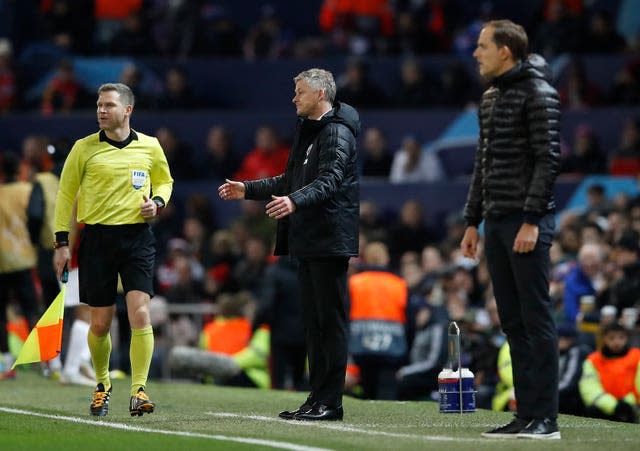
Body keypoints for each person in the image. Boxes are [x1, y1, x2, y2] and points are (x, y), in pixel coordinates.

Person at [219, 68, 360, 421]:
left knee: (330, 322)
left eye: (299, 92)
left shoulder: (337, 132)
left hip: (329, 240)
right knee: (313, 324)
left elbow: (331, 180)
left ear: (320, 95)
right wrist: (247, 189)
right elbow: (291, 178)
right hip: (309, 239)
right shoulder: (309, 130)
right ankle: (317, 398)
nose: (294, 98)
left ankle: (332, 402)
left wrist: (294, 201)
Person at [460, 20, 562, 439]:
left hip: (526, 221)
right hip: (497, 220)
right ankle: (526, 414)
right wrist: (472, 220)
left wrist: (532, 220)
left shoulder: (539, 94)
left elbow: (548, 160)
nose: (475, 53)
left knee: (536, 319)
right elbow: (483, 163)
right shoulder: (489, 98)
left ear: (506, 51)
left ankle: (547, 420)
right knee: (513, 323)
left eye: (482, 46)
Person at [53, 83, 174, 417]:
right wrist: (62, 244)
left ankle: (139, 390)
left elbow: (165, 181)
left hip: (137, 238)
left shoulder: (150, 146)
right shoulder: (83, 148)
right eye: (98, 105)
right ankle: (102, 386)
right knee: (100, 324)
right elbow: (65, 196)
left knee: (140, 313)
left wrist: (159, 203)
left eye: (108, 105)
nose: (101, 111)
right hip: (97, 241)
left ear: (127, 110)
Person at [579, 322, 640, 423]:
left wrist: (627, 402)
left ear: (627, 338)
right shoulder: (593, 360)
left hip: (632, 407)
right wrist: (613, 405)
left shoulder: (637, 356)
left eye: (621, 338)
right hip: (603, 408)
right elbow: (589, 388)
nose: (617, 342)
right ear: (604, 339)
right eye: (611, 338)